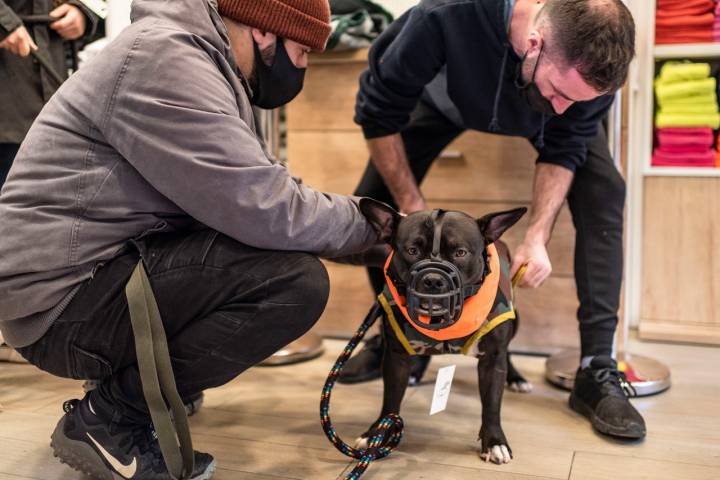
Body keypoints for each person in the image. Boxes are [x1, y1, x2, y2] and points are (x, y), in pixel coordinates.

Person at [0, 0, 379, 478]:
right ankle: (110, 419)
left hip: (80, 276)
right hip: (59, 305)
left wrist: (368, 239)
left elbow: (259, 193)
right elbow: (265, 207)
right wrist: (381, 228)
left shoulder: (200, 60)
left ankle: (128, 399)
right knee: (291, 284)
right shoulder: (167, 61)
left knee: (270, 255)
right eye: (303, 51)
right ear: (265, 33)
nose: (302, 66)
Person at [340, 0, 645, 440]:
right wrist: (412, 208)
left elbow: (564, 144)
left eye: (576, 101)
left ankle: (596, 369)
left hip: (527, 102)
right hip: (444, 102)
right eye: (560, 93)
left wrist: (537, 236)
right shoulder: (443, 16)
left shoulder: (580, 77)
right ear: (534, 43)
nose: (562, 109)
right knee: (378, 204)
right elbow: (378, 110)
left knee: (605, 191)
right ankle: (405, 336)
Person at [0, 0, 100, 188]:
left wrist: (82, 11)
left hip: (55, 93)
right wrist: (4, 22)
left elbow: (99, 8)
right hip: (8, 96)